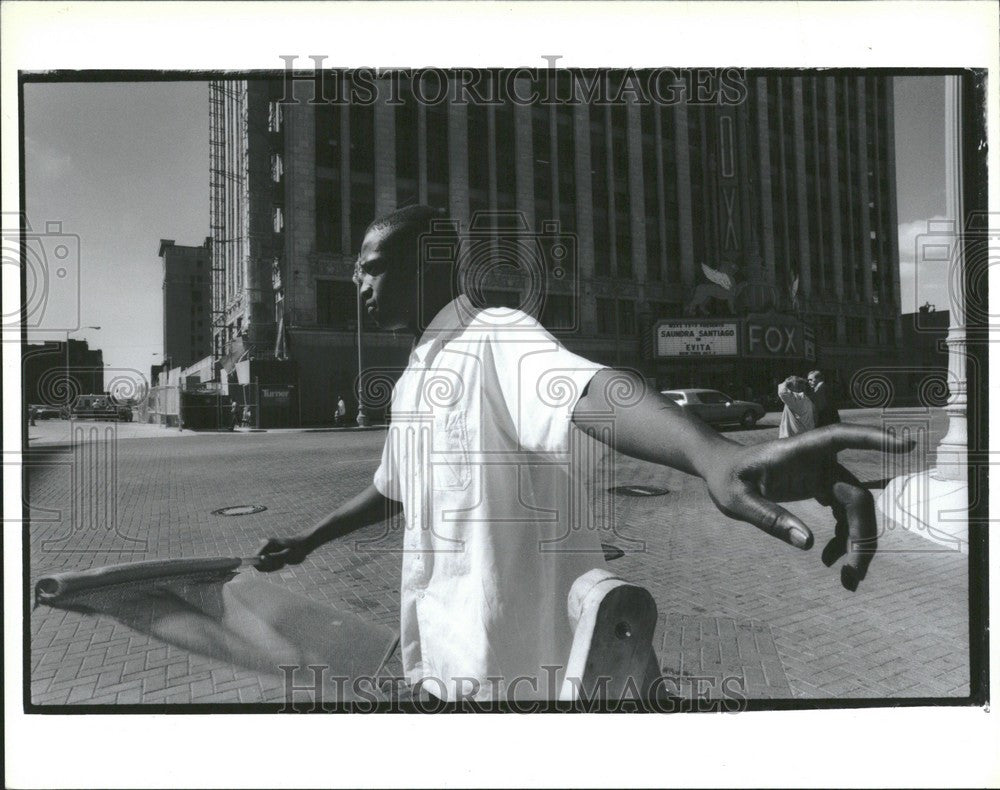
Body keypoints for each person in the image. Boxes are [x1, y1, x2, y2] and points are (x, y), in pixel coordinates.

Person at [256, 205, 911, 702]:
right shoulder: (412, 379)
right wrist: (308, 538)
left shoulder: (495, 335)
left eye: (371, 266)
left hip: (525, 675)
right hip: (439, 667)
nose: (358, 283)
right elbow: (394, 488)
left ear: (427, 263)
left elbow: (595, 390)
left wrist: (712, 453)